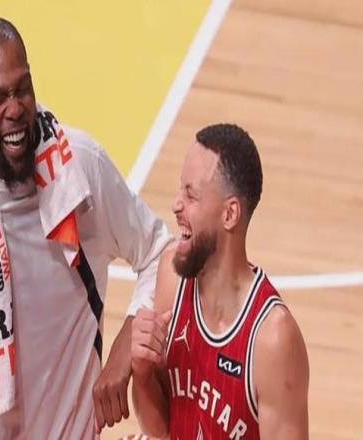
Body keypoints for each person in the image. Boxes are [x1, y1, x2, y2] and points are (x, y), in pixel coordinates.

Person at [0, 17, 172, 439]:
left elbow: (158, 251)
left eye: (22, 89)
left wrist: (129, 336)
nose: (15, 109)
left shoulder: (80, 169)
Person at [131, 124, 309, 439]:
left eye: (191, 195)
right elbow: (160, 429)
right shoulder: (172, 278)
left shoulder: (272, 339)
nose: (176, 204)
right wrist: (143, 374)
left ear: (230, 214)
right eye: (180, 190)